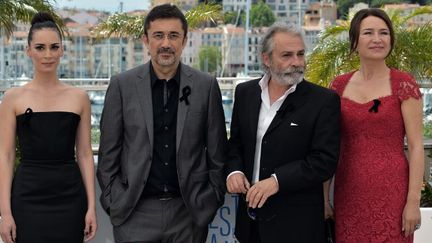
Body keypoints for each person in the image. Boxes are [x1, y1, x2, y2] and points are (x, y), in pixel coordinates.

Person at [97, 4, 227, 243]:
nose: (166, 43)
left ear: (184, 40)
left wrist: (210, 200)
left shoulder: (205, 87)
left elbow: (218, 155)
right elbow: (108, 155)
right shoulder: (122, 86)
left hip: (188, 215)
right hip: (134, 214)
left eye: (173, 35)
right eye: (159, 35)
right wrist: (114, 200)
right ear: (146, 40)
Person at [226, 22, 341, 243]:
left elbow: (324, 161)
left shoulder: (323, 101)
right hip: (249, 226)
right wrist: (234, 172)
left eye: (300, 54)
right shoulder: (245, 93)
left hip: (298, 227)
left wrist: (277, 181)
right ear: (266, 59)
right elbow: (236, 145)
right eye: (287, 55)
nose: (297, 62)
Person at [328, 8, 424, 242]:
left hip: (393, 194)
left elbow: (416, 146)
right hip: (348, 192)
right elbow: (329, 145)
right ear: (355, 40)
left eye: (384, 33)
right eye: (368, 33)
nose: (377, 39)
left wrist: (413, 202)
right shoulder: (338, 86)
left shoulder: (403, 84)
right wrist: (324, 198)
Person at [0, 12, 97, 243]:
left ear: (62, 50)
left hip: (70, 198)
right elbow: (5, 155)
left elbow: (84, 154)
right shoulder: (12, 98)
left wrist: (91, 207)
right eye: (40, 47)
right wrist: (4, 212)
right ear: (29, 50)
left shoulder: (79, 97)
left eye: (54, 47)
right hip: (26, 197)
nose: (48, 54)